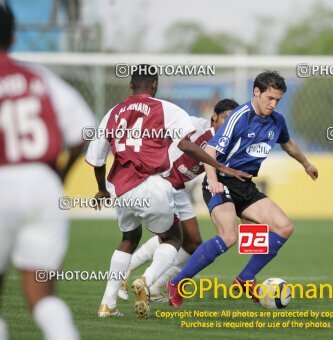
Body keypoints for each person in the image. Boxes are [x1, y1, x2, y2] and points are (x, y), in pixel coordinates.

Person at [85, 68, 250, 319]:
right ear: (154, 85)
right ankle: (147, 281)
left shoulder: (113, 112)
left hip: (120, 187)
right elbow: (185, 144)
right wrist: (219, 166)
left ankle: (108, 304)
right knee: (173, 237)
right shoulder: (168, 110)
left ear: (131, 84)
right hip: (156, 183)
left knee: (130, 237)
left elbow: (96, 160)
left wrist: (100, 190)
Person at [167, 70, 319, 307]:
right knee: (229, 236)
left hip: (245, 185)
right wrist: (214, 179)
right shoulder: (239, 116)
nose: (273, 104)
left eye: (277, 100)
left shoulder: (277, 121)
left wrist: (306, 163)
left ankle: (245, 278)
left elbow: (288, 143)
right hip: (222, 181)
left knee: (284, 227)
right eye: (269, 98)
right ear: (256, 92)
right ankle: (177, 282)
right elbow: (210, 151)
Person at [0, 2, 95, 339]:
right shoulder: (40, 78)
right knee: (42, 297)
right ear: (12, 36)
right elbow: (84, 133)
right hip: (42, 185)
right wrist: (58, 175)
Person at [117, 99, 239, 302]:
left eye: (232, 120)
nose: (228, 124)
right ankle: (127, 274)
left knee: (193, 243)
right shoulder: (195, 125)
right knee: (170, 236)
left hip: (178, 186)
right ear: (214, 117)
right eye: (226, 117)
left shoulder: (226, 143)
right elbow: (166, 124)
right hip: (161, 180)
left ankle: (155, 287)